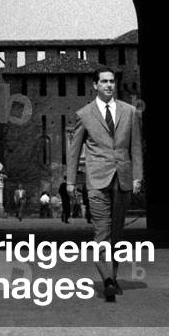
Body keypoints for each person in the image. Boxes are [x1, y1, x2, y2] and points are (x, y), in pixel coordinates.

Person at [67, 67, 143, 303]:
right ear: (95, 85)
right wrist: (71, 180)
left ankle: (113, 276)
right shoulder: (84, 115)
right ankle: (108, 280)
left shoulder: (130, 112)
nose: (109, 85)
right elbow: (74, 150)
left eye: (112, 81)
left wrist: (138, 176)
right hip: (97, 181)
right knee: (102, 232)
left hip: (123, 179)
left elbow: (136, 147)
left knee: (117, 234)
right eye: (104, 81)